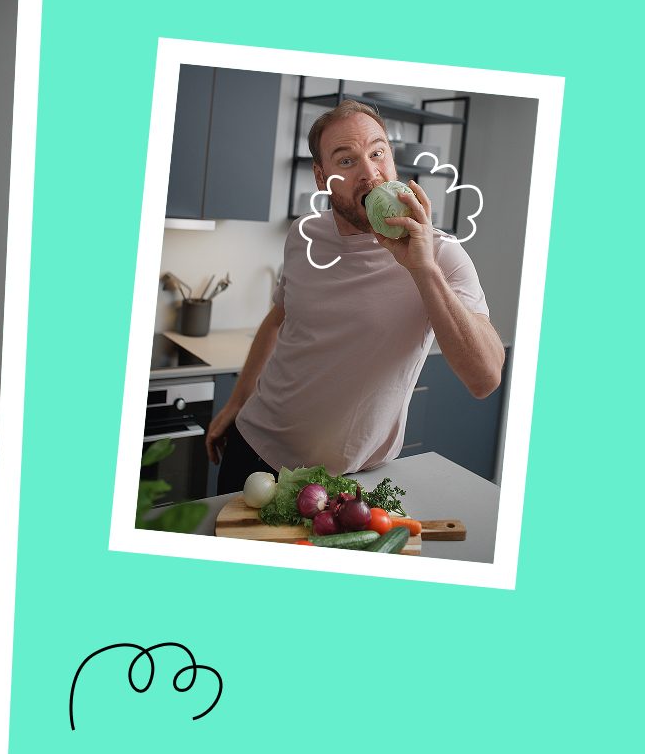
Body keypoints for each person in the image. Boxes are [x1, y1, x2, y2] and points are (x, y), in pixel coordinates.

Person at [207, 100, 503, 491]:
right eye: (346, 161)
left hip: (347, 481)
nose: (370, 173)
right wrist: (236, 403)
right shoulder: (304, 234)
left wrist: (422, 269)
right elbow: (278, 320)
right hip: (255, 451)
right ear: (321, 176)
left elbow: (485, 379)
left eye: (378, 153)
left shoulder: (441, 255)